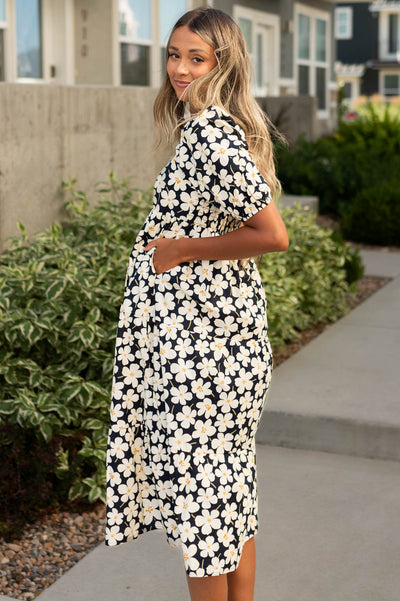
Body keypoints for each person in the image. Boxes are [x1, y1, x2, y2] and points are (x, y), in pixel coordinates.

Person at [105, 7, 288, 601]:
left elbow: (271, 234)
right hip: (214, 345)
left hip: (199, 357)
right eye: (173, 54)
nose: (179, 69)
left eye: (196, 58)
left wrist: (181, 250)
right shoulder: (212, 126)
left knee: (200, 514)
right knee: (228, 502)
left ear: (222, 63)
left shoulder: (211, 132)